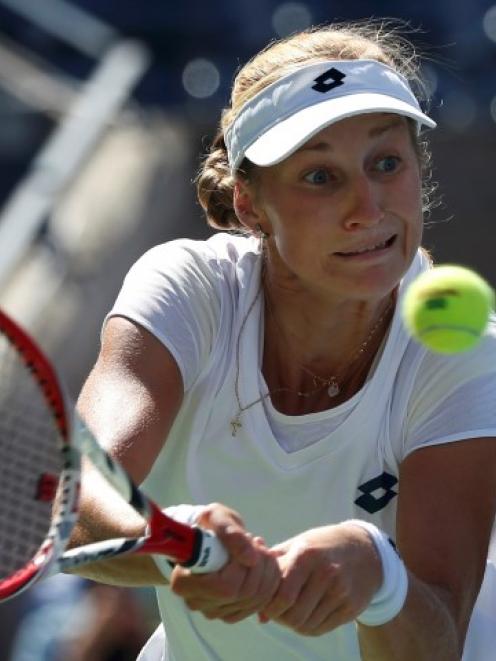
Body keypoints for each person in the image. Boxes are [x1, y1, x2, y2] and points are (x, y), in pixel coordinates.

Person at [68, 20, 496, 661]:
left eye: (386, 163)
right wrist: (170, 541)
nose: (369, 208)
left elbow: (433, 642)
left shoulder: (464, 353)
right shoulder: (189, 287)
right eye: (320, 177)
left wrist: (377, 578)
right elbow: (78, 496)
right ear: (250, 205)